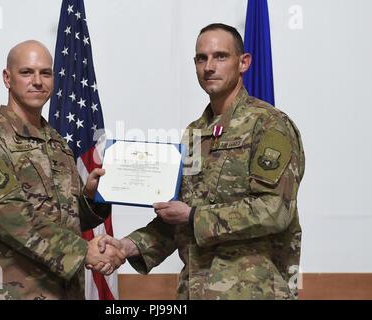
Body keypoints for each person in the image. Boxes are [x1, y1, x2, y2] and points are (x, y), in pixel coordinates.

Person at [94, 23, 305, 300]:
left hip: (254, 292)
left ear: (243, 63)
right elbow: (177, 217)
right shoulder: (194, 134)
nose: (209, 66)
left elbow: (275, 209)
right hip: (196, 290)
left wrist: (195, 216)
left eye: (220, 56)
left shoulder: (269, 125)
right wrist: (126, 246)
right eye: (201, 58)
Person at [0, 40, 125, 300]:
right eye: (26, 72)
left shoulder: (56, 144)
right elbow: (13, 220)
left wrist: (89, 197)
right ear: (7, 78)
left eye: (45, 73)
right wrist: (83, 251)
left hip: (64, 291)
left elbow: (66, 219)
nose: (37, 81)